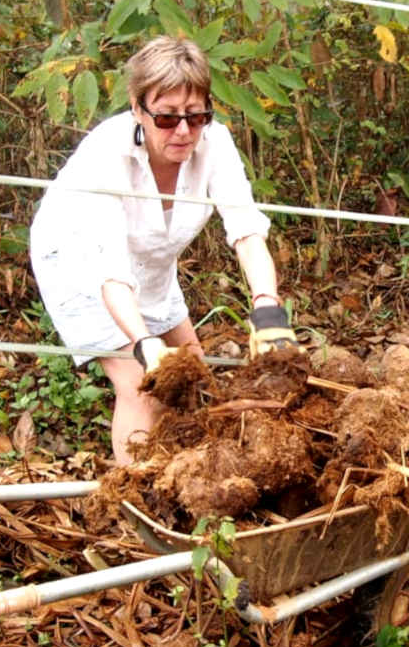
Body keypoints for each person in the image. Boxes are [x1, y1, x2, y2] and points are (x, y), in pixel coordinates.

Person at [30, 36, 296, 465]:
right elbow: (111, 271)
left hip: (151, 259)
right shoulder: (107, 154)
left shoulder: (215, 144)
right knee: (143, 384)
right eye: (167, 119)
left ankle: (197, 466)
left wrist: (267, 308)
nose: (185, 132)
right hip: (79, 262)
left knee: (192, 367)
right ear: (137, 108)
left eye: (197, 116)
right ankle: (137, 499)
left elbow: (246, 230)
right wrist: (142, 342)